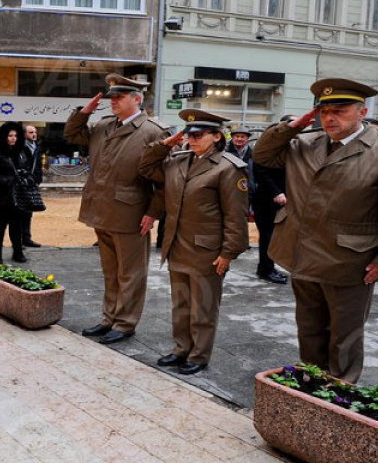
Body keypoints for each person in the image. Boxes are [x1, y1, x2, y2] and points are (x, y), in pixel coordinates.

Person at [253, 78, 378, 383]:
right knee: (309, 329)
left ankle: (339, 394)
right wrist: (294, 126)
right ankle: (313, 384)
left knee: (344, 337)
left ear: (362, 111)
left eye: (340, 110)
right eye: (324, 112)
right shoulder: (304, 143)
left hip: (350, 261)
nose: (330, 118)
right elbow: (263, 155)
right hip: (303, 253)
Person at [140, 109, 249, 374]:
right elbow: (146, 167)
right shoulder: (178, 161)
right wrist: (167, 142)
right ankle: (181, 349)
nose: (192, 140)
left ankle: (198, 355)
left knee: (203, 307)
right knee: (181, 303)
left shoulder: (228, 168)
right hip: (177, 244)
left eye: (198, 135)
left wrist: (228, 253)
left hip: (207, 250)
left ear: (216, 137)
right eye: (188, 134)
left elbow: (236, 216)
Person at [64, 73, 171, 345]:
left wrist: (153, 212)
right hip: (102, 209)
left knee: (131, 272)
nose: (113, 101)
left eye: (119, 96)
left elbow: (164, 180)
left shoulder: (153, 132)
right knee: (110, 270)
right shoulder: (103, 125)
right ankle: (108, 318)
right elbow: (73, 134)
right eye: (111, 96)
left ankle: (125, 323)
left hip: (131, 212)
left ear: (137, 99)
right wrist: (84, 112)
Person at [0, 121, 28, 264]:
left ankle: (18, 252)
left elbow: (24, 170)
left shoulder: (19, 153)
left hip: (17, 196)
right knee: (0, 225)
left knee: (16, 225)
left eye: (15, 135)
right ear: (3, 136)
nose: (13, 138)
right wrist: (4, 180)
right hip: (0, 196)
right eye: (10, 135)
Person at [252, 116, 290, 285]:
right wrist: (276, 192)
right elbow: (260, 170)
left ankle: (270, 267)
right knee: (267, 235)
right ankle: (265, 270)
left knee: (275, 236)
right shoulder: (268, 147)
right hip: (267, 199)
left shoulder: (289, 146)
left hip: (283, 199)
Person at [21, 125, 44, 248]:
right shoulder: (20, 147)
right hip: (22, 183)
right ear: (24, 134)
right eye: (30, 132)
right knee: (20, 212)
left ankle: (26, 238)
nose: (34, 134)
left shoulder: (36, 147)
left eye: (35, 132)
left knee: (28, 212)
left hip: (32, 183)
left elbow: (38, 165)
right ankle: (19, 240)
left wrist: (38, 179)